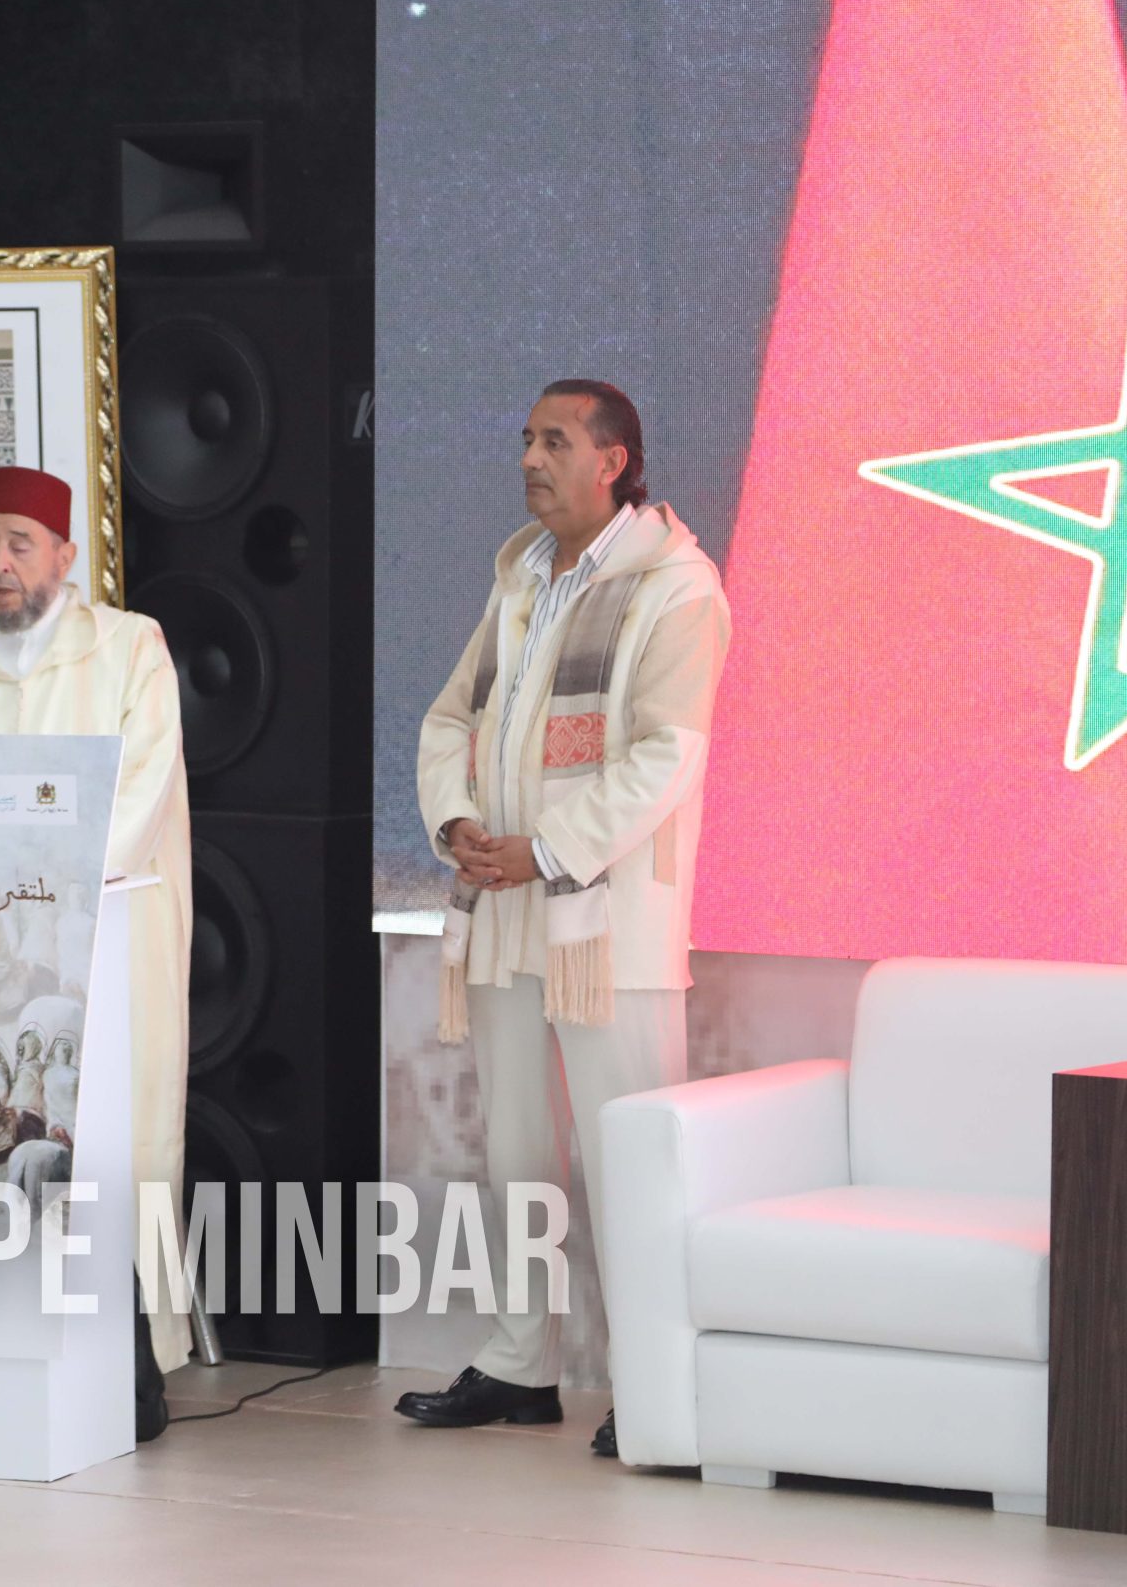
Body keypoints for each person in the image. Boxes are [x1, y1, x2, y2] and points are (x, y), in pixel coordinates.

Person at [398, 380, 729, 1462]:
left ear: (613, 461)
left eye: (553, 441)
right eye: (525, 439)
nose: (529, 459)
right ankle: (518, 1363)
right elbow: (450, 718)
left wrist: (541, 848)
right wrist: (457, 822)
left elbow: (667, 756)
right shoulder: (522, 577)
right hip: (503, 910)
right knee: (516, 1151)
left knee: (631, 1157)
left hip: (604, 925)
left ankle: (653, 1386)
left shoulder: (675, 587)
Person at [0, 466, 191, 1441]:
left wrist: (44, 887)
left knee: (112, 1144)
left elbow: (141, 792)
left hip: (102, 943)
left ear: (65, 553)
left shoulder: (129, 649)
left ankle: (130, 1367)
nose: (0, 562)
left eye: (21, 542)